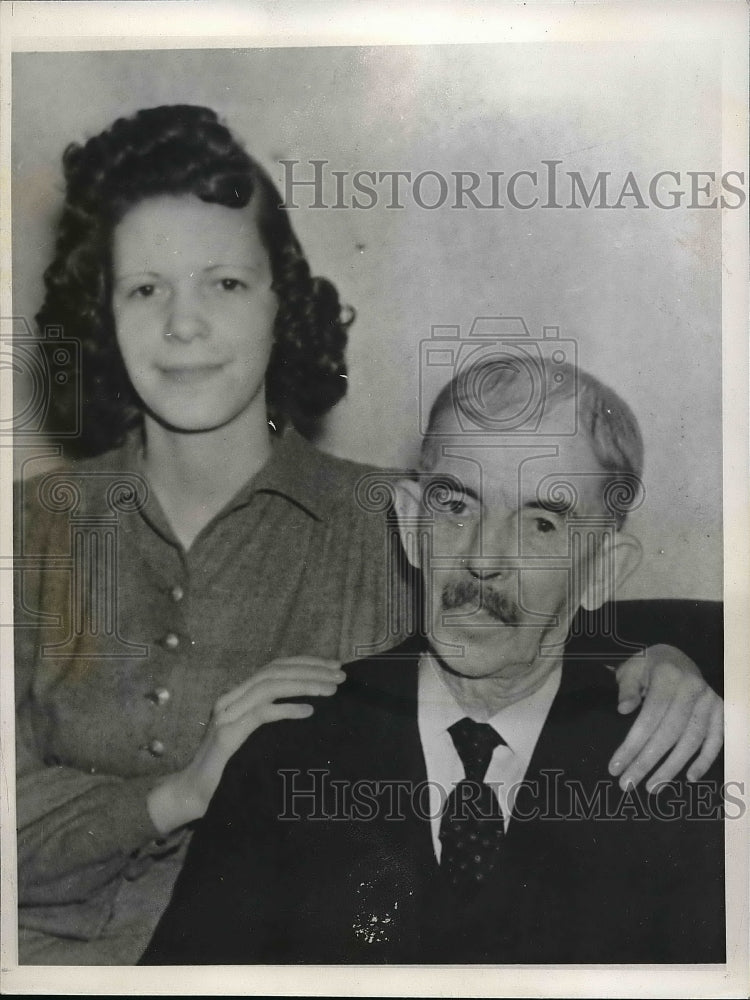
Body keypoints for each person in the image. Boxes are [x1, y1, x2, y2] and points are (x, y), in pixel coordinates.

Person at [14, 105, 723, 965]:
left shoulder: (408, 521)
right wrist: (183, 792)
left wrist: (658, 663)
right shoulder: (27, 533)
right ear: (101, 312)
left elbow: (531, 608)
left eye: (226, 283)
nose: (184, 325)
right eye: (144, 288)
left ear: (286, 301)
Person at [142, 358, 725, 965]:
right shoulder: (290, 750)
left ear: (603, 569)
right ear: (412, 521)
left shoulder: (670, 769)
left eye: (542, 525)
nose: (482, 558)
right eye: (456, 507)